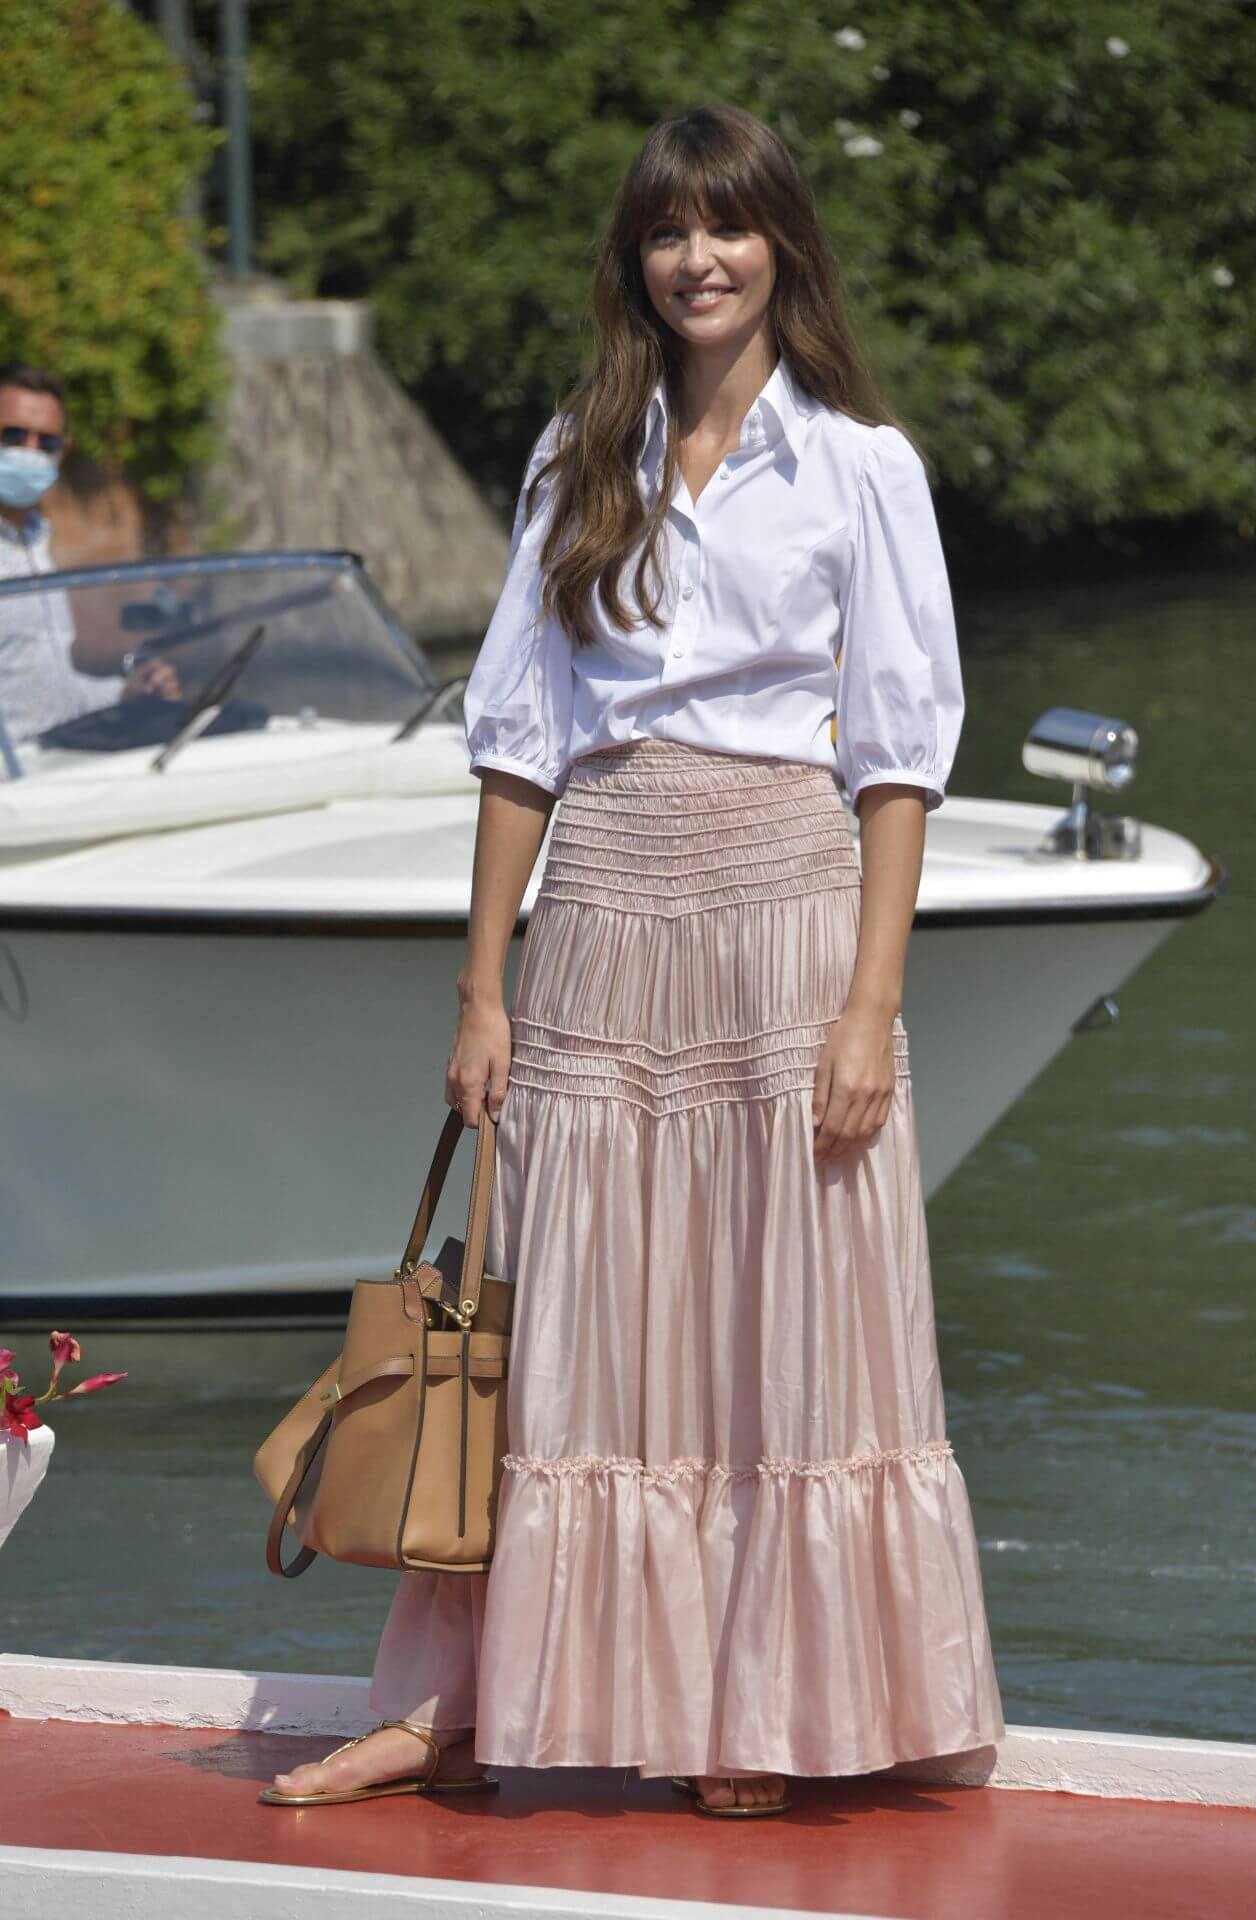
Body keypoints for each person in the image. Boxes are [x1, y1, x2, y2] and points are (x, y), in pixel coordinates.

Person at [266, 102, 1006, 1820]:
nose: (699, 258)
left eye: (729, 226)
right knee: (568, 1336)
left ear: (781, 248)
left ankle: (768, 1710)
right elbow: (517, 742)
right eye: (670, 230)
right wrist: (482, 986)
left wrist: (872, 1005)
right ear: (639, 259)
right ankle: (440, 1703)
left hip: (781, 912)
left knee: (778, 1329)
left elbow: (898, 756)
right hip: (597, 906)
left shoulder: (861, 467)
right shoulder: (573, 454)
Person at [0, 363, 178, 744]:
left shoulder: (34, 543)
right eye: (14, 436)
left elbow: (46, 691)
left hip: (54, 766)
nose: (30, 452)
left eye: (47, 443)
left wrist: (124, 694)